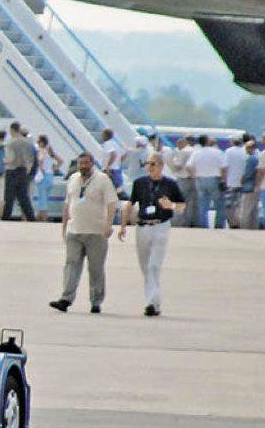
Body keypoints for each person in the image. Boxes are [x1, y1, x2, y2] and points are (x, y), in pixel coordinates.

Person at [49, 151, 117, 315]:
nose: (83, 166)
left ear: (92, 163)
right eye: (81, 163)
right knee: (71, 264)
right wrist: (64, 226)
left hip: (96, 232)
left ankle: (96, 301)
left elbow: (111, 203)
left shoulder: (102, 180)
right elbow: (68, 204)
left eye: (86, 163)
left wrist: (108, 224)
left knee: (95, 268)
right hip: (75, 230)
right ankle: (66, 298)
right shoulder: (73, 179)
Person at [118, 153, 186, 317]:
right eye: (148, 164)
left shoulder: (170, 184)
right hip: (143, 226)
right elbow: (130, 204)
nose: (150, 167)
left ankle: (153, 302)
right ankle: (152, 300)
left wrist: (171, 205)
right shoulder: (140, 183)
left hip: (160, 226)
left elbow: (182, 206)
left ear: (161, 166)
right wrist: (123, 225)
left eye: (153, 164)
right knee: (144, 266)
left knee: (153, 265)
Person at [2, 121, 36, 221]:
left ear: (12, 130)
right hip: (23, 171)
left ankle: (6, 217)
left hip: (12, 170)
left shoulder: (11, 142)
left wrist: (4, 162)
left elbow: (10, 158)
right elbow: (31, 159)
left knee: (9, 197)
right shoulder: (27, 142)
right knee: (23, 197)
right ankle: (31, 217)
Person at [189, 135, 226, 229]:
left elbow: (189, 166)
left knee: (202, 204)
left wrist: (194, 176)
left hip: (200, 179)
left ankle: (203, 225)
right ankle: (219, 224)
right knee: (219, 203)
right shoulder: (217, 152)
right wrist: (223, 179)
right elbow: (224, 167)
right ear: (207, 141)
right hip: (214, 178)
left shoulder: (196, 153)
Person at [33, 135, 63, 222]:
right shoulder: (50, 152)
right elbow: (61, 161)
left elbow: (40, 160)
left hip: (43, 176)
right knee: (45, 198)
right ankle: (39, 217)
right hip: (50, 176)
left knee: (42, 199)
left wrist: (41, 169)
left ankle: (43, 218)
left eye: (38, 142)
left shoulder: (41, 151)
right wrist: (55, 168)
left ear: (42, 143)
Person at [222, 135, 248, 228]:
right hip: (243, 183)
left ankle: (232, 223)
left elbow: (224, 167)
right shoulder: (245, 151)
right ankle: (240, 222)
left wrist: (224, 180)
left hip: (231, 182)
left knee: (229, 205)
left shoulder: (228, 151)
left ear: (232, 142)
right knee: (241, 205)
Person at [170, 137, 197, 227]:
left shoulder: (184, 151)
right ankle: (190, 221)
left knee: (179, 201)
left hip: (183, 178)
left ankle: (177, 222)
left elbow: (178, 165)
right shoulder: (195, 150)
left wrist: (173, 163)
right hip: (194, 179)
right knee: (191, 202)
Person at [238, 139, 260, 230]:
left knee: (245, 210)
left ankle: (244, 227)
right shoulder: (258, 158)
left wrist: (242, 179)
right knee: (254, 210)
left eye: (248, 147)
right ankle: (254, 227)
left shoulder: (251, 159)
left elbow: (248, 173)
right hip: (255, 187)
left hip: (248, 187)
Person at [100, 128, 124, 193]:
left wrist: (108, 166)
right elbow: (123, 154)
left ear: (105, 135)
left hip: (110, 170)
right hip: (117, 169)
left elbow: (113, 154)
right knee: (117, 188)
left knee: (107, 189)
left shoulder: (108, 143)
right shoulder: (115, 144)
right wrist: (119, 163)